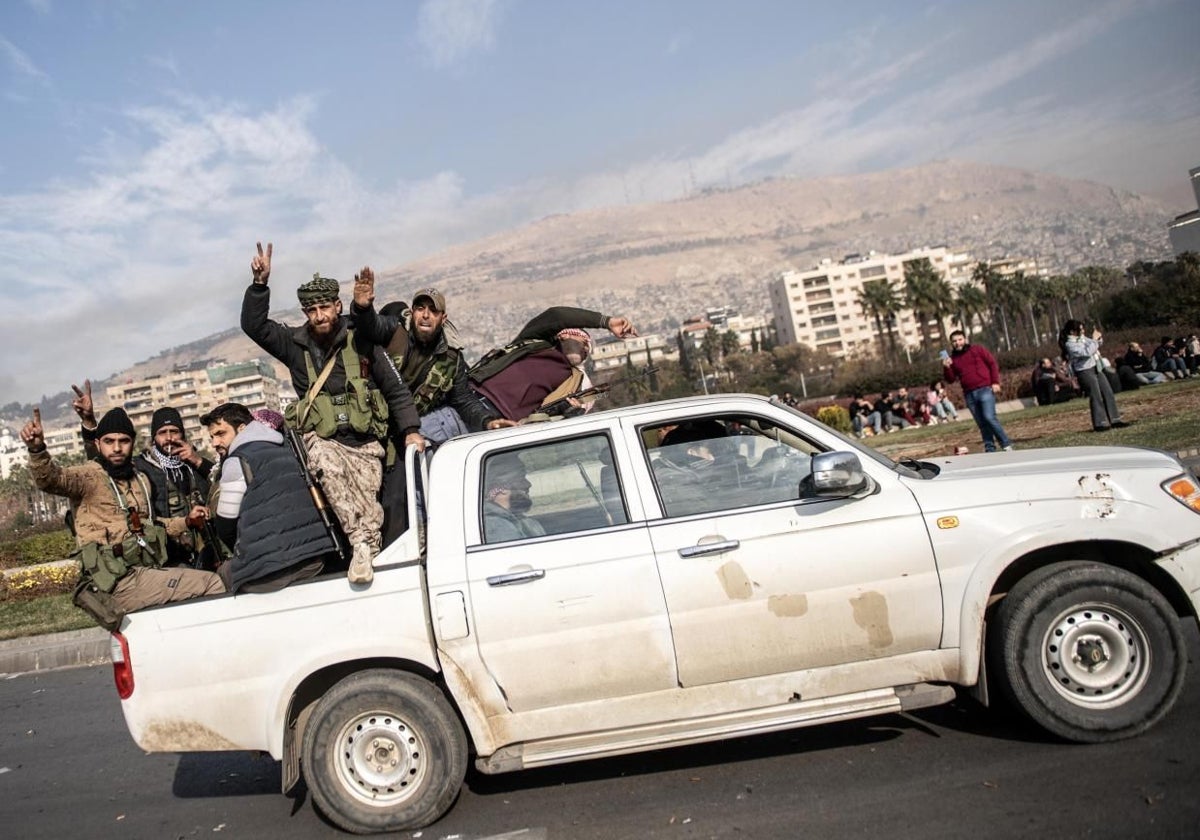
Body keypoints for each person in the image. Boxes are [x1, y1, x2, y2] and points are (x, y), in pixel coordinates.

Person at [240, 241, 423, 586]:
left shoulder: (362, 341)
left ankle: (370, 548)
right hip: (323, 443)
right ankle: (361, 547)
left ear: (338, 306)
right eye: (312, 311)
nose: (320, 316)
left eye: (325, 307)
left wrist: (411, 430)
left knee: (369, 508)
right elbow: (254, 326)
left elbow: (395, 389)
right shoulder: (294, 346)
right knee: (326, 463)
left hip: (366, 446)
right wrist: (259, 286)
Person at [350, 277, 516, 545]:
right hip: (370, 429)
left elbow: (463, 400)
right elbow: (370, 324)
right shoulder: (394, 332)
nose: (425, 315)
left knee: (399, 503)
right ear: (412, 312)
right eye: (420, 308)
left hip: (408, 438)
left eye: (432, 310)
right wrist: (361, 307)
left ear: (442, 317)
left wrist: (488, 421)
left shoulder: (452, 359)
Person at [21, 406, 224, 617]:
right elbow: (50, 479)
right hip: (117, 580)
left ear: (132, 443)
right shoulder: (88, 477)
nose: (117, 448)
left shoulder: (139, 479)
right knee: (211, 583)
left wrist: (187, 522)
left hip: (144, 571)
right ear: (98, 444)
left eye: (124, 441)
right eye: (109, 441)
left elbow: (150, 525)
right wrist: (37, 450)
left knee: (200, 576)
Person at [201, 403, 337, 593]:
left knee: (221, 576)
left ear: (242, 429)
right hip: (315, 559)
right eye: (212, 437)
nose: (215, 443)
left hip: (267, 572)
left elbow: (225, 525)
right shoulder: (289, 448)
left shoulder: (237, 460)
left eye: (221, 434)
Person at [468, 306, 638, 422]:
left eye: (588, 348)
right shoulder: (535, 343)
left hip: (499, 425)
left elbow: (576, 411)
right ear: (563, 336)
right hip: (471, 400)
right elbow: (556, 316)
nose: (586, 347)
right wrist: (606, 322)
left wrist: (572, 412)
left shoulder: (578, 382)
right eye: (584, 341)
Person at [942, 330, 1014, 452]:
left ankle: (1006, 443)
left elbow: (992, 364)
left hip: (985, 389)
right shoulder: (952, 359)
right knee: (982, 423)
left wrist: (995, 382)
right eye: (954, 341)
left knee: (989, 417)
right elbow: (951, 379)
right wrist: (946, 367)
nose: (957, 343)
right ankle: (990, 447)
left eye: (960, 339)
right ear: (951, 343)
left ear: (965, 339)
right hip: (969, 394)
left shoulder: (977, 349)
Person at [1059, 320, 1130, 433]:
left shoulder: (1083, 338)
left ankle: (1115, 420)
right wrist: (1094, 340)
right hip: (1085, 371)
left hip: (1096, 366)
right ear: (1072, 331)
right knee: (1096, 396)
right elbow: (1086, 352)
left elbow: (1095, 345)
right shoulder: (1070, 344)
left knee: (1108, 392)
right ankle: (1099, 423)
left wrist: (1098, 338)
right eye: (1080, 329)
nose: (1083, 331)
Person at [481, 453, 546, 543]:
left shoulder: (515, 520)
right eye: (520, 479)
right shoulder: (498, 527)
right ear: (502, 488)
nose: (528, 484)